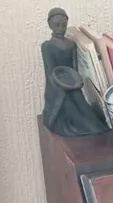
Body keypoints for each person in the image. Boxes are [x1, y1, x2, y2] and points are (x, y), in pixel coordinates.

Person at [41, 7, 107, 136]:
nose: (60, 28)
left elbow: (75, 67)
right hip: (57, 85)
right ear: (50, 25)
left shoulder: (71, 44)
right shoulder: (47, 46)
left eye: (63, 25)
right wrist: (61, 85)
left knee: (82, 103)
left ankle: (96, 127)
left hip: (72, 81)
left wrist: (76, 82)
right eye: (56, 25)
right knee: (68, 105)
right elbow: (49, 72)